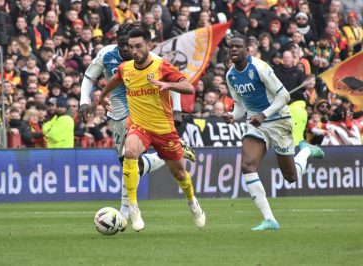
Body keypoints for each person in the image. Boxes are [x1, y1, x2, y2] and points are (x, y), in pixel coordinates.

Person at [80, 23, 196, 220]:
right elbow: (89, 76)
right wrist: (85, 101)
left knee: (129, 156)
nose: (128, 49)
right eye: (123, 44)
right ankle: (167, 152)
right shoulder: (106, 54)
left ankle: (127, 209)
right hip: (117, 112)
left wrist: (177, 111)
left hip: (145, 113)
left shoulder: (155, 60)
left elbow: (174, 82)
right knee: (130, 164)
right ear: (117, 41)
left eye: (132, 45)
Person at [223, 33, 324, 231]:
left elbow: (284, 96)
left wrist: (263, 114)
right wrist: (232, 116)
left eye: (237, 46)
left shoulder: (260, 67)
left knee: (291, 177)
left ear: (247, 50)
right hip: (256, 124)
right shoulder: (230, 76)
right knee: (247, 165)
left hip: (278, 121)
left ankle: (305, 151)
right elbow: (240, 108)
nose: (233, 50)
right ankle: (269, 219)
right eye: (230, 47)